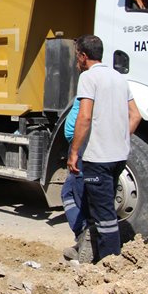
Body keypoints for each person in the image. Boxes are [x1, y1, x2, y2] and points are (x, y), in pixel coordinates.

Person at [67, 34, 141, 262]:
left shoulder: (88, 78)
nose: (77, 61)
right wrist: (119, 136)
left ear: (83, 55)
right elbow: (135, 115)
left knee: (104, 214)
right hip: (118, 156)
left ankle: (110, 263)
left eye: (77, 56)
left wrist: (74, 152)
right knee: (96, 206)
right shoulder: (119, 78)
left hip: (97, 158)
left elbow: (85, 117)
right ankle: (89, 253)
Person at [61, 98, 87, 260]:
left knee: (74, 193)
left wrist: (75, 151)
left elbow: (85, 117)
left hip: (82, 146)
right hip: (80, 144)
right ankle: (83, 240)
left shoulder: (90, 81)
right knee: (70, 192)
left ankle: (84, 241)